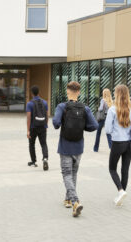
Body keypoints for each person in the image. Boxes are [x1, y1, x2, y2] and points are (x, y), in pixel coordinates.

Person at [53, 81, 98, 217]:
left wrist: (62, 123)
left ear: (67, 91)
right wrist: (82, 127)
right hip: (78, 146)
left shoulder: (62, 106)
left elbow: (55, 123)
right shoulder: (85, 108)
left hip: (65, 146)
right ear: (79, 92)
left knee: (66, 174)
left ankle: (75, 201)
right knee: (73, 174)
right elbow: (94, 125)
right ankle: (67, 199)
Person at [105, 85, 131, 206]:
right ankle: (121, 195)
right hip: (130, 143)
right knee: (125, 169)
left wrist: (116, 131)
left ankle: (120, 190)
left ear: (117, 95)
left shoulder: (112, 110)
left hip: (118, 142)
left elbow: (107, 129)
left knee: (112, 168)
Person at [26, 85, 49, 170]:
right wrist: (45, 125)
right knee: (43, 144)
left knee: (32, 144)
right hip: (42, 126)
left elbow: (28, 117)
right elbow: (47, 115)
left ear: (32, 93)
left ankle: (33, 161)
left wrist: (28, 130)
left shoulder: (30, 104)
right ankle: (45, 158)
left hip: (33, 127)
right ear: (39, 92)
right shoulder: (45, 102)